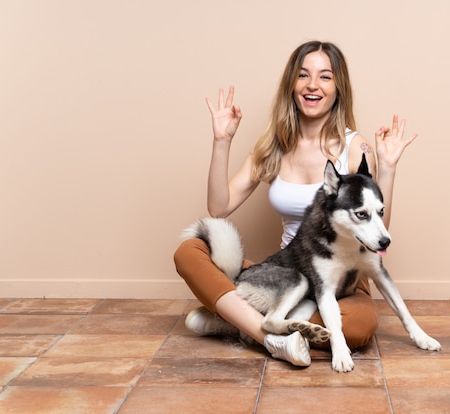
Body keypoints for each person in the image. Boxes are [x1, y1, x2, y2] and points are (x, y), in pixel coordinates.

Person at [174, 40, 417, 367]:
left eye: (325, 77)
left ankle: (233, 320)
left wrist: (387, 169)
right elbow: (219, 207)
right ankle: (270, 337)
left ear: (338, 88)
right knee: (188, 252)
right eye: (303, 75)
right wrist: (222, 141)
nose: (312, 85)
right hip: (285, 272)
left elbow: (378, 232)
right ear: (292, 84)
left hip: (340, 281)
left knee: (357, 327)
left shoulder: (354, 146)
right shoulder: (273, 145)